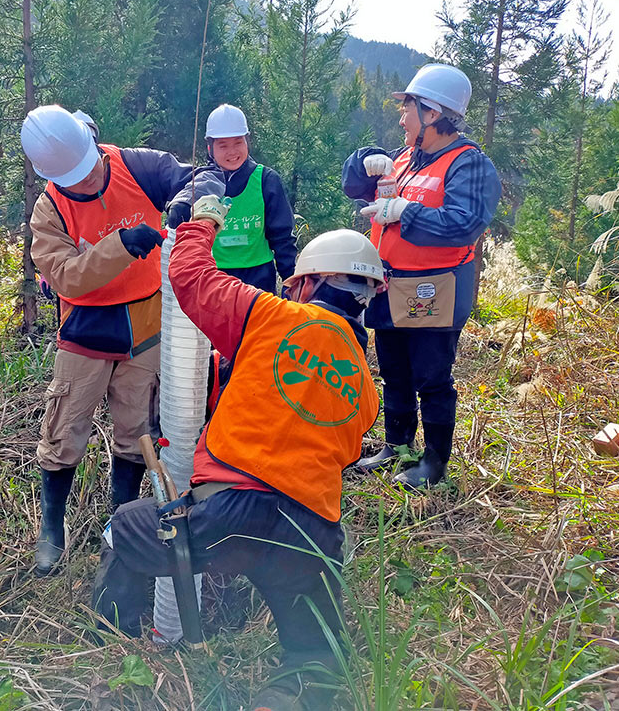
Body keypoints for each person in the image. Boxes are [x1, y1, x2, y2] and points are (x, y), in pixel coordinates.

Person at [92, 195, 382, 711]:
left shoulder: (272, 315)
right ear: (368, 298)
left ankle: (114, 650)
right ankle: (286, 696)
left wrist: (203, 219)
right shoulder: (366, 391)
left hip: (232, 510)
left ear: (308, 283)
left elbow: (189, 276)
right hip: (312, 531)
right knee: (314, 658)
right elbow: (340, 453)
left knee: (125, 528)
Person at [21, 104, 194, 577]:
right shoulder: (49, 208)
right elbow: (67, 277)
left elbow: (194, 180)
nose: (80, 185)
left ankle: (120, 523)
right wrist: (121, 245)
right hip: (85, 331)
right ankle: (51, 530)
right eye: (68, 180)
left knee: (136, 430)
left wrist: (184, 203)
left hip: (144, 325)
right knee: (64, 429)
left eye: (85, 172)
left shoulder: (139, 166)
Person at [342, 63, 502, 490]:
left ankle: (434, 462)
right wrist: (363, 163)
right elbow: (353, 186)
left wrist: (403, 213)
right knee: (393, 370)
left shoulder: (469, 164)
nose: (401, 117)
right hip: (390, 285)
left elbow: (464, 223)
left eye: (408, 108)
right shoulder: (404, 159)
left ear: (432, 113)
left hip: (436, 289)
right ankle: (397, 446)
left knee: (431, 376)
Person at [194, 103, 297, 294]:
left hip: (259, 280)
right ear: (210, 148)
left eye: (238, 143)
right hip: (214, 278)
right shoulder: (199, 183)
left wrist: (293, 285)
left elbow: (283, 239)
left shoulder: (266, 180)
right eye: (223, 145)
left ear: (247, 142)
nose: (232, 152)